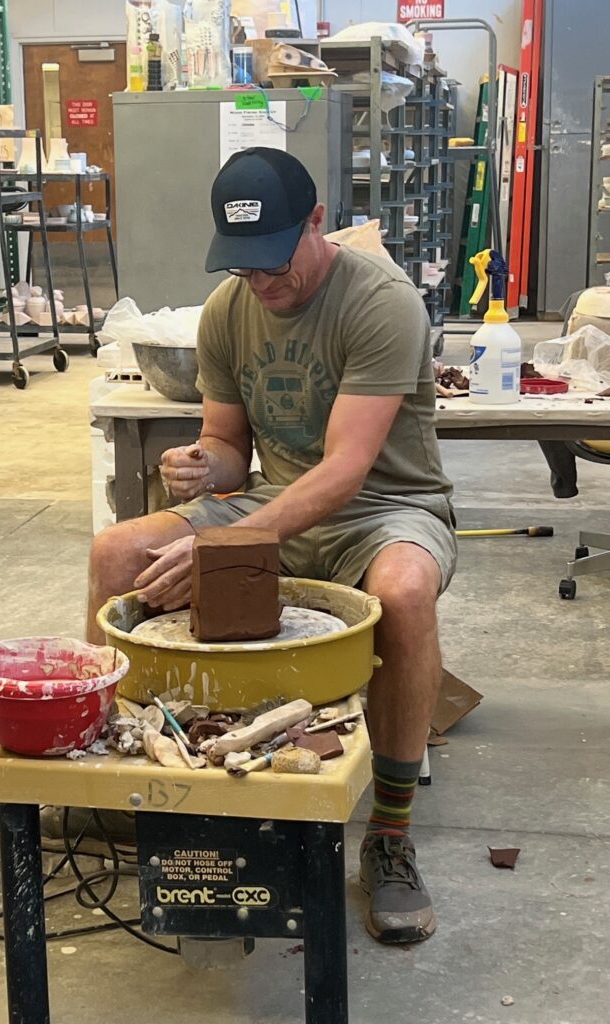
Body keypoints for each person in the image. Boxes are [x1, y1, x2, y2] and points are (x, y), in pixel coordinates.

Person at [87, 147, 457, 944]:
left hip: (384, 509)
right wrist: (199, 467)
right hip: (272, 501)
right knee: (118, 556)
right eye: (245, 266)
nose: (263, 282)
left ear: (318, 221)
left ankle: (389, 836)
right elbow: (229, 443)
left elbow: (347, 472)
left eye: (276, 261)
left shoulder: (381, 303)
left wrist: (235, 540)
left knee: (402, 590)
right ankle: (116, 789)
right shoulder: (229, 309)